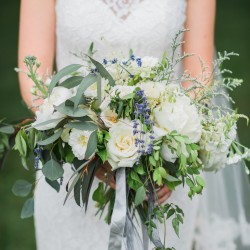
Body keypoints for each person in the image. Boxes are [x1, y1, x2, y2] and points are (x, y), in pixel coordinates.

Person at [18, 0, 250, 249]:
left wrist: (165, 155)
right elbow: (34, 78)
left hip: (161, 176)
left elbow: (198, 77)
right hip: (73, 164)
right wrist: (87, 145)